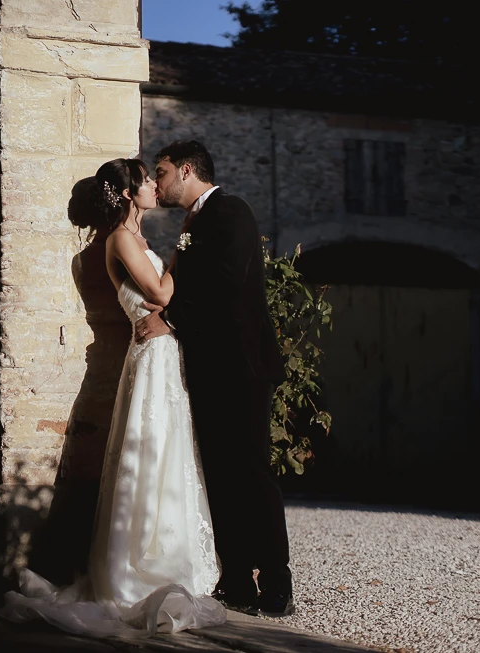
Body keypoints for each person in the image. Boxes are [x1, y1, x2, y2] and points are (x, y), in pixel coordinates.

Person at [0, 158, 227, 637]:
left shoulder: (136, 240)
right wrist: (185, 245)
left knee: (166, 457)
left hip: (163, 355)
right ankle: (136, 570)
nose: (152, 186)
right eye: (145, 180)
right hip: (149, 360)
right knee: (149, 456)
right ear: (127, 193)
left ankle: (166, 557)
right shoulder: (121, 240)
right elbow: (162, 292)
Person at [135, 140, 294, 617]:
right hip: (209, 367)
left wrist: (173, 318)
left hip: (242, 368)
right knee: (220, 475)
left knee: (250, 473)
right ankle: (238, 579)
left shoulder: (231, 211)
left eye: (161, 173)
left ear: (186, 170)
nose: (157, 183)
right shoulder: (194, 222)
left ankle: (278, 580)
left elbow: (226, 281)